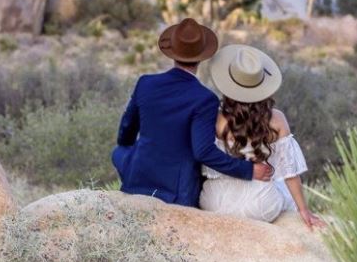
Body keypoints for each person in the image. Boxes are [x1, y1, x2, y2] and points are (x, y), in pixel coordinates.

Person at [112, 18, 274, 207]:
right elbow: (203, 152)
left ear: (172, 53)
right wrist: (249, 170)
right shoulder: (205, 98)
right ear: (200, 57)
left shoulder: (145, 83)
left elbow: (126, 130)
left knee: (119, 152)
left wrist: (131, 149)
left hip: (138, 178)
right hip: (177, 190)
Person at [198, 44, 326, 230]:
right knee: (280, 186)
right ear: (262, 86)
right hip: (259, 204)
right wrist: (304, 210)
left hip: (215, 201)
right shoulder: (277, 119)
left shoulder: (215, 118)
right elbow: (289, 172)